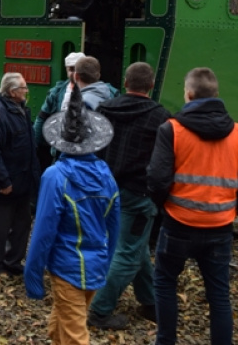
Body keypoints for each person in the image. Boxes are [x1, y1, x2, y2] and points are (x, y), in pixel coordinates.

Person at [147, 67, 238, 345]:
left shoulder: (172, 130)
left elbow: (158, 178)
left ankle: (166, 341)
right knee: (219, 294)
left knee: (164, 283)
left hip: (178, 222)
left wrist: (164, 207)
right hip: (220, 225)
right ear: (216, 95)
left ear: (188, 94)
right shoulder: (236, 133)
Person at [25, 82, 120, 345]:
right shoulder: (106, 176)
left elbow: (44, 229)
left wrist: (32, 273)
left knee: (76, 334)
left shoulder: (56, 176)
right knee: (63, 321)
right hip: (96, 265)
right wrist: (106, 263)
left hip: (67, 266)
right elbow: (114, 227)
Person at [88, 63, 170, 329]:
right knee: (126, 253)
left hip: (106, 189)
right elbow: (163, 164)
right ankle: (99, 311)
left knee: (137, 249)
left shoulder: (104, 109)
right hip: (137, 195)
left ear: (125, 82)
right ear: (151, 84)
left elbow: (93, 149)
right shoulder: (160, 117)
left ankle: (150, 303)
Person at [0, 72, 40, 275]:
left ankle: (13, 262)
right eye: (24, 88)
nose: (27, 91)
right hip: (4, 184)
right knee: (0, 226)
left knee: (22, 224)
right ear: (13, 92)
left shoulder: (19, 110)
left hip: (22, 181)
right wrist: (4, 181)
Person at [33, 51, 85, 148]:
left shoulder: (100, 92)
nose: (75, 73)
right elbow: (41, 119)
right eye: (71, 69)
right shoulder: (55, 93)